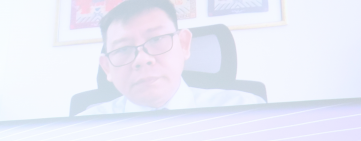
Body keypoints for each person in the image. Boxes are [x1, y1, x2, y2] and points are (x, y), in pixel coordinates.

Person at [77, 0, 265, 116]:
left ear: (184, 44)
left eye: (156, 39)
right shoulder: (84, 129)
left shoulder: (246, 111)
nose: (142, 59)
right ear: (107, 67)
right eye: (123, 48)